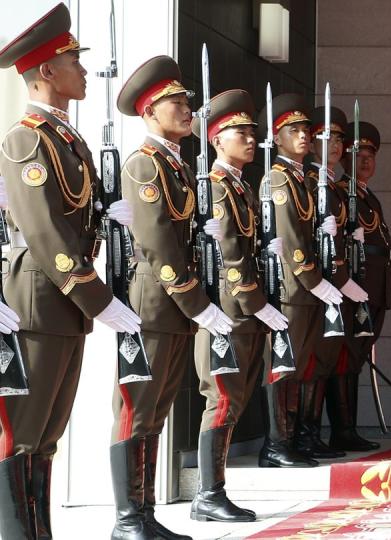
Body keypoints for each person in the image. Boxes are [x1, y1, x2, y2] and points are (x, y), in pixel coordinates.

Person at [0, 4, 141, 538]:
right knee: (22, 433)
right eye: (72, 61)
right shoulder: (27, 138)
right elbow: (46, 235)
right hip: (40, 301)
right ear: (46, 73)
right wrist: (99, 300)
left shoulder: (68, 138)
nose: (83, 70)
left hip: (63, 305)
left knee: (49, 433)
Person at [113, 55, 234, 540]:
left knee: (157, 410)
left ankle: (143, 514)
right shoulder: (145, 163)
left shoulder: (177, 165)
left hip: (173, 308)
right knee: (137, 408)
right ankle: (127, 520)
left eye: (187, 102)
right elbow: (157, 241)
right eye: (175, 103)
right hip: (155, 303)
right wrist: (196, 301)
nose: (188, 110)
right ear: (149, 112)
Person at [188, 89, 288, 522]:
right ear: (216, 139)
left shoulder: (241, 188)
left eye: (251, 131)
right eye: (239, 132)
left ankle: (214, 491)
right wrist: (256, 303)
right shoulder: (215, 187)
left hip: (244, 314)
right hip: (227, 313)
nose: (250, 138)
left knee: (236, 398)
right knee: (223, 398)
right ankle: (207, 495)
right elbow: (229, 255)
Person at [258, 94, 343, 467]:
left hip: (306, 290)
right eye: (294, 130)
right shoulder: (278, 178)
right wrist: (314, 279)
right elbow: (291, 238)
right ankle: (276, 443)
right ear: (277, 138)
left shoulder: (301, 178)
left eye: (306, 130)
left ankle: (292, 439)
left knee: (302, 364)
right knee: (283, 364)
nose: (305, 136)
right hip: (292, 289)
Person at [304, 106, 372, 453]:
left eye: (339, 139)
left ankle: (315, 434)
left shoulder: (333, 183)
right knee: (313, 363)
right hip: (318, 286)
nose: (334, 145)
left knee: (331, 359)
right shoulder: (309, 180)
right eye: (325, 138)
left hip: (337, 283)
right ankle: (305, 435)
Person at [334, 121, 391, 451]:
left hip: (374, 287)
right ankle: (343, 428)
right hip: (355, 286)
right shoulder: (343, 192)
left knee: (355, 359)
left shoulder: (368, 196)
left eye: (371, 155)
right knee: (347, 356)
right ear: (345, 157)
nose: (366, 161)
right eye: (359, 154)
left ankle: (348, 427)